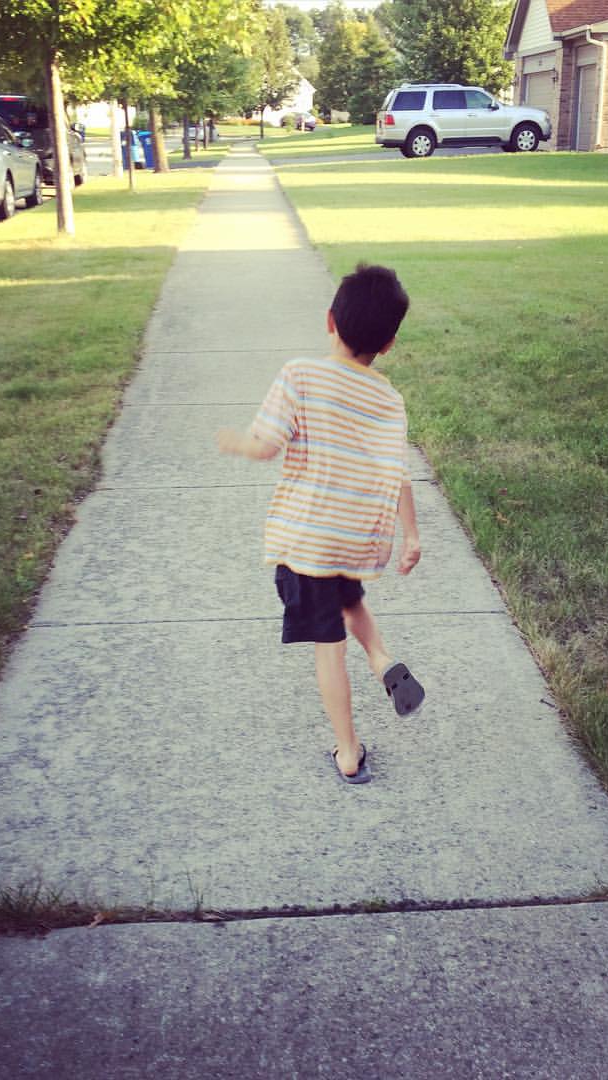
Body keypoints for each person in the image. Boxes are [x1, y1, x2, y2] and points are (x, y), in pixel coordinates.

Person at [216, 263, 425, 785]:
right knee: (349, 601)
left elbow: (266, 446)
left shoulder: (301, 375)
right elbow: (397, 473)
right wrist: (412, 534)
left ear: (329, 320)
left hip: (308, 538)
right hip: (354, 538)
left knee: (328, 646)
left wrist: (237, 441)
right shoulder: (389, 400)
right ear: (390, 344)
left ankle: (348, 752)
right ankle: (383, 661)